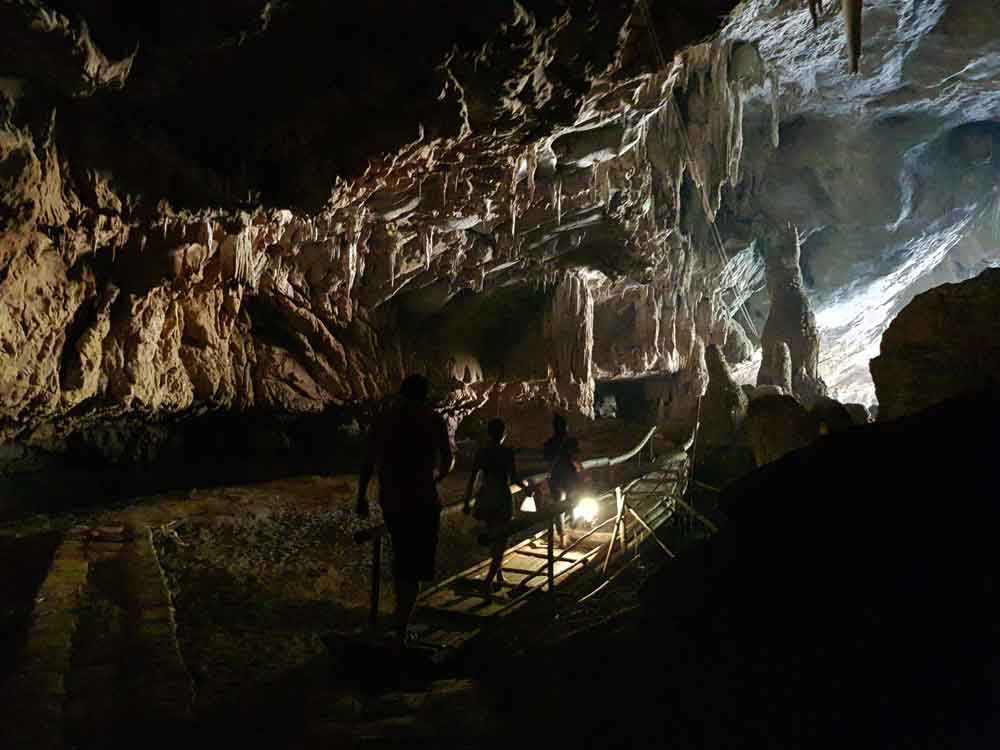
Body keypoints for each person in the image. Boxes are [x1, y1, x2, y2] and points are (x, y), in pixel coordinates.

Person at [356, 374, 454, 649]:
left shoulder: (383, 420)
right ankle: (402, 627)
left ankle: (399, 622)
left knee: (402, 556)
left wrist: (361, 496)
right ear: (424, 395)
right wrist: (437, 479)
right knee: (416, 564)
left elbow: (368, 460)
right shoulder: (433, 420)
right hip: (422, 499)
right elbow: (447, 458)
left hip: (392, 500)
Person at [463, 419, 520, 599]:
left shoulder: (483, 452)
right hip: (501, 499)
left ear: (489, 433)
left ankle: (498, 574)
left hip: (486, 498)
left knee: (493, 535)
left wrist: (466, 501)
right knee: (501, 539)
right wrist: (527, 489)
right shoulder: (507, 452)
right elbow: (514, 478)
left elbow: (472, 478)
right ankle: (487, 583)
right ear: (503, 434)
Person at [542, 414, 569, 546]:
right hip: (568, 478)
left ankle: (556, 534)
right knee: (561, 507)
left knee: (558, 506)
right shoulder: (569, 442)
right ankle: (562, 536)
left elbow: (547, 462)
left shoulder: (548, 444)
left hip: (555, 478)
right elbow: (574, 459)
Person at [550, 436, 584, 537]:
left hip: (558, 479)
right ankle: (566, 532)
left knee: (563, 506)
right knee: (566, 505)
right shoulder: (568, 445)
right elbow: (575, 459)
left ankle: (564, 534)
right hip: (564, 480)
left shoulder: (552, 446)